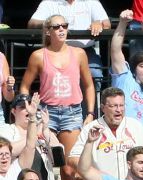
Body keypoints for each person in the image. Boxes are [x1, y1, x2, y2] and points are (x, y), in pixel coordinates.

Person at [19, 13, 94, 163]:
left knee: (70, 165)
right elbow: (24, 87)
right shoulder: (38, 56)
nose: (61, 29)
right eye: (57, 26)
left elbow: (89, 85)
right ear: (48, 31)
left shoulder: (79, 53)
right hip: (46, 111)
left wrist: (91, 113)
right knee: (43, 162)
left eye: (64, 26)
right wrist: (28, 107)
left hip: (72, 112)